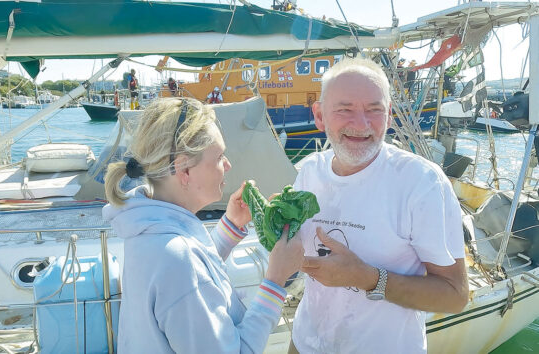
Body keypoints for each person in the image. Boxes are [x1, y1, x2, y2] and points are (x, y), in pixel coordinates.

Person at [289, 57, 469, 353]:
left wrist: (367, 277)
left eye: (375, 110)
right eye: (344, 110)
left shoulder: (421, 183)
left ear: (388, 116)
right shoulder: (309, 171)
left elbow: (455, 295)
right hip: (304, 343)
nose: (361, 125)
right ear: (320, 116)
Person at [102, 97, 303, 353]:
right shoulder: (176, 257)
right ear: (184, 169)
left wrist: (230, 227)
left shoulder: (146, 228)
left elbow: (190, 281)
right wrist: (276, 280)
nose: (228, 165)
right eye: (219, 156)